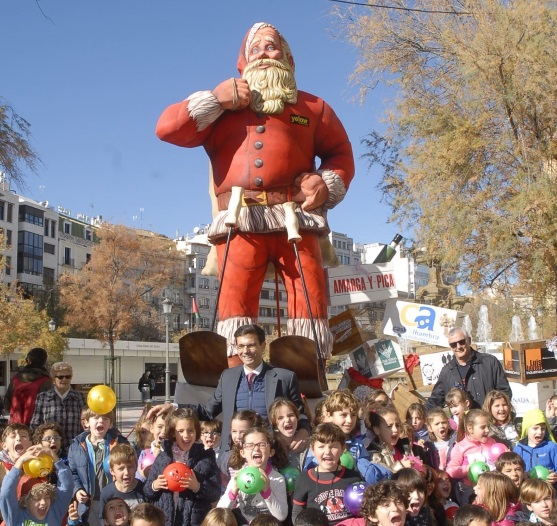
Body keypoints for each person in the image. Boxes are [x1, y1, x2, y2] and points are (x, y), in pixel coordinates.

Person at [155, 22, 355, 358]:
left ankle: (309, 371)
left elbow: (341, 153)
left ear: (286, 57)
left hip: (295, 217)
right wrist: (214, 100)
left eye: (271, 46)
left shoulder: (313, 108)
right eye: (255, 48)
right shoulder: (222, 107)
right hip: (240, 219)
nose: (263, 52)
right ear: (243, 61)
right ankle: (236, 374)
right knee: (234, 301)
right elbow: (167, 129)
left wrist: (324, 181)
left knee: (310, 296)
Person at [150, 324, 311, 463]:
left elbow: (300, 414)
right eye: (240, 346)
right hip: (233, 455)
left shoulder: (285, 377)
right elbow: (207, 410)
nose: (245, 351)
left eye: (251, 345)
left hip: (270, 454)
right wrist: (174, 406)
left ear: (263, 345)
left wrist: (303, 431)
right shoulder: (228, 376)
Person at [144, 408, 221, 526]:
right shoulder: (164, 457)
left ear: (197, 432)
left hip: (194, 521)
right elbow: (147, 491)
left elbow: (215, 492)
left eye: (191, 430)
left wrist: (198, 487)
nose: (186, 435)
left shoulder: (206, 459)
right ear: (173, 433)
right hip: (166, 520)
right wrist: (155, 485)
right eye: (180, 431)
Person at [68, 407, 129, 526]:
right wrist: (77, 490)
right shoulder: (76, 447)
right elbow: (72, 473)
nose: (100, 421)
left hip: (115, 500)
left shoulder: (120, 443)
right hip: (89, 504)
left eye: (105, 418)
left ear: (110, 424)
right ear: (86, 422)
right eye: (95, 418)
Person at [425, 328, 511, 411]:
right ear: (451, 347)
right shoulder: (447, 371)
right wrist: (418, 413)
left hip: (489, 422)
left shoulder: (490, 362)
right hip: (463, 424)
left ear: (469, 341)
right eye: (453, 344)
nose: (458, 347)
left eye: (461, 342)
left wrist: (496, 414)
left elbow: (504, 392)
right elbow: (435, 401)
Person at [292, 423, 362, 525]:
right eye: (321, 447)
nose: (327, 452)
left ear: (343, 449)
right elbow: (297, 513)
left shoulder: (353, 478)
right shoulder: (304, 479)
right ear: (313, 450)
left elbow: (363, 511)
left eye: (333, 446)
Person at [217, 426, 288, 524]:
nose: (256, 449)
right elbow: (219, 513)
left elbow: (281, 516)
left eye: (262, 445)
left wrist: (267, 492)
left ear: (271, 452)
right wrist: (233, 492)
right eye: (250, 445)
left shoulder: (277, 479)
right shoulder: (238, 478)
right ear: (243, 452)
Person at [0, 442, 74, 526]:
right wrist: (20, 462)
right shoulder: (15, 517)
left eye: (47, 497)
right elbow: (6, 493)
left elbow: (67, 486)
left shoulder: (55, 512)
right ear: (25, 501)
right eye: (37, 498)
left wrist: (52, 455)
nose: (43, 502)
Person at [446, 409, 499, 505]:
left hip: (492, 488)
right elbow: (451, 471)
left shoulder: (492, 443)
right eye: (483, 427)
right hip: (471, 491)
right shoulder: (460, 447)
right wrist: (468, 468)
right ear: (470, 428)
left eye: (488, 426)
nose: (487, 430)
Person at [30, 361, 87, 448]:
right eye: (60, 377)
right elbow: (35, 426)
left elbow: (86, 423)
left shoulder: (80, 397)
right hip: (50, 449)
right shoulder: (43, 398)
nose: (64, 379)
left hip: (76, 448)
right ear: (53, 380)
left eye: (68, 377)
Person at [3, 347, 53, 426]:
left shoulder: (15, 379)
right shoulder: (46, 382)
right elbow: (50, 408)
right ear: (44, 362)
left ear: (28, 360)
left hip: (16, 427)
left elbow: (7, 404)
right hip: (36, 428)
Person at [99, 443, 145, 521]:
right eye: (121, 469)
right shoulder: (106, 493)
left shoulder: (143, 489)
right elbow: (103, 519)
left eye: (130, 467)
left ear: (136, 467)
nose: (127, 472)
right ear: (112, 471)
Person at [513, 408, 557, 485]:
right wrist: (522, 474)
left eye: (543, 428)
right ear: (526, 429)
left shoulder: (552, 447)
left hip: (547, 492)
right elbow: (514, 469)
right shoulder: (519, 448)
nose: (540, 432)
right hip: (527, 492)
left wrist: (555, 476)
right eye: (535, 428)